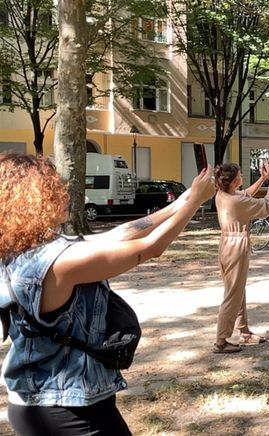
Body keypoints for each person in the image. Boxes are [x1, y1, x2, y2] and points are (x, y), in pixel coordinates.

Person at [0, 152, 215, 435]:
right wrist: (197, 202)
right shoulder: (60, 262)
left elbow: (122, 233)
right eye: (55, 188)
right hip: (66, 409)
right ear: (35, 200)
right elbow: (150, 247)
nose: (64, 193)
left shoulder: (24, 252)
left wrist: (183, 201)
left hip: (38, 402)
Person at [213, 160, 269, 353]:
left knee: (237, 291)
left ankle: (244, 331)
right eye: (239, 175)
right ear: (233, 181)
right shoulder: (236, 201)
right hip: (236, 246)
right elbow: (267, 206)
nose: (242, 177)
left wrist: (263, 178)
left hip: (226, 243)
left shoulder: (223, 195)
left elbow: (246, 193)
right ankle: (220, 341)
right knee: (232, 294)